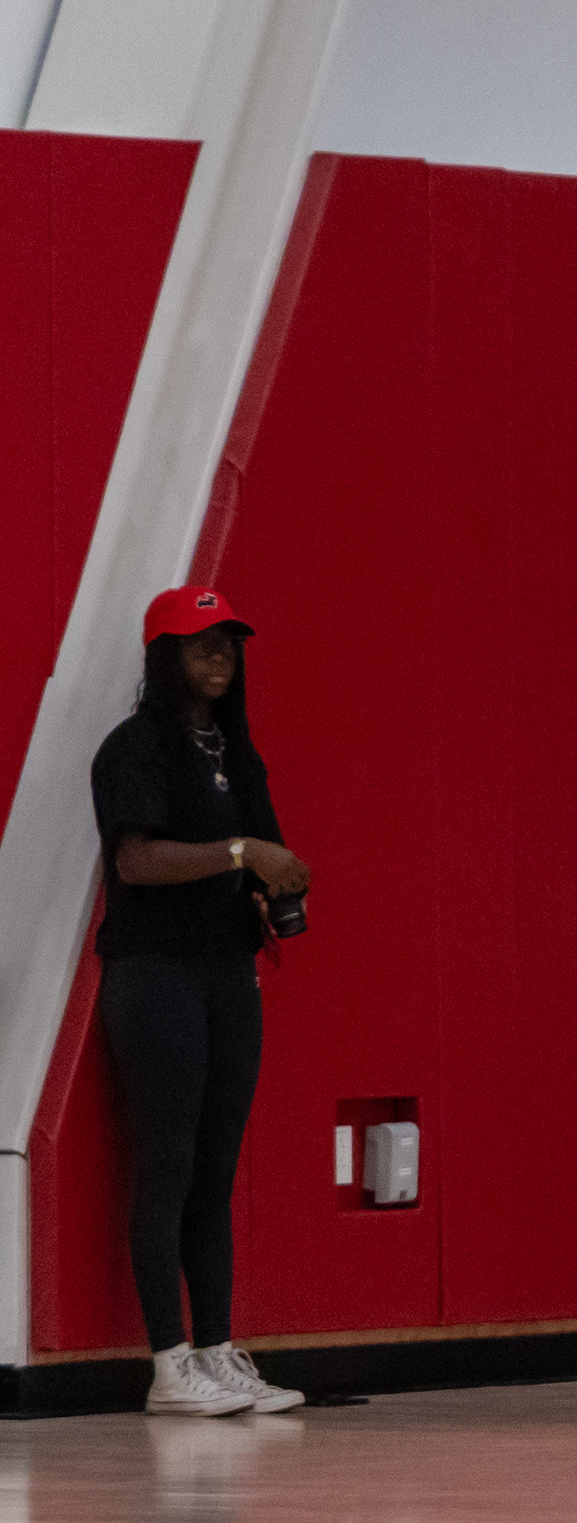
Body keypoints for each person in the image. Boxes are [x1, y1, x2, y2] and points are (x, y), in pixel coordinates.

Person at [88, 587, 311, 1417]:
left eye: (229, 643)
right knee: (169, 1162)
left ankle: (216, 1350)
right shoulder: (136, 748)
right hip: (155, 973)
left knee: (216, 1169)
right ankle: (168, 1364)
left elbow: (260, 857)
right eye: (200, 643)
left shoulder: (237, 752)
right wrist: (241, 851)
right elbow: (137, 861)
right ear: (164, 656)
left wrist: (272, 888)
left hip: (227, 970)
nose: (220, 656)